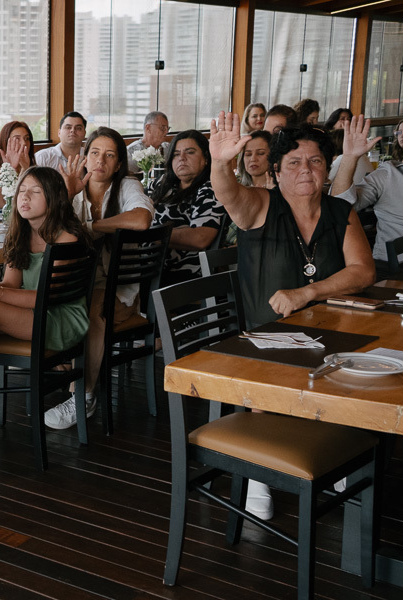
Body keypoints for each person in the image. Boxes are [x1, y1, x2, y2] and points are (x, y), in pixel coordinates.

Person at [208, 113, 375, 520]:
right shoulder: (260, 205)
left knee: (363, 368)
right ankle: (258, 471)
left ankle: (330, 452)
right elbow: (229, 194)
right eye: (295, 162)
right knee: (273, 372)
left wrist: (308, 292)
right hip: (266, 339)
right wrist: (220, 164)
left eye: (315, 161)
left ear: (327, 169)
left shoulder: (340, 212)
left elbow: (363, 271)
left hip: (331, 334)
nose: (306, 169)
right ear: (277, 171)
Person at [44, 127, 153, 430]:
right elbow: (46, 231)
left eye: (109, 155)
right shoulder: (73, 188)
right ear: (84, 157)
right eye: (94, 153)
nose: (100, 161)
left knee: (91, 314)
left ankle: (83, 396)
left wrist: (92, 226)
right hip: (73, 285)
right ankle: (60, 366)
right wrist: (66, 195)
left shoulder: (127, 186)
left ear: (119, 164)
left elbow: (141, 219)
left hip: (116, 291)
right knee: (42, 302)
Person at [0, 165, 90, 377]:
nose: (25, 197)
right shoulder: (19, 234)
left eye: (35, 191)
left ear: (54, 198)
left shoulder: (67, 239)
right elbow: (10, 285)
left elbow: (45, 298)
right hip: (29, 312)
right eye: (22, 190)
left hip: (60, 318)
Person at [332, 115, 403, 275]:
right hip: (393, 269)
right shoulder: (388, 173)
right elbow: (339, 205)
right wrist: (349, 157)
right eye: (402, 133)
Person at [150, 130, 225, 285]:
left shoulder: (211, 188)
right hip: (147, 267)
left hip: (182, 275)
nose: (182, 158)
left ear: (206, 158)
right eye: (176, 154)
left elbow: (200, 238)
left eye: (190, 152)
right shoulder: (161, 184)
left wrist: (150, 234)